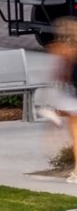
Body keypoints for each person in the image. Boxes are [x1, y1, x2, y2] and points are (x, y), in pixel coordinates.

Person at [40, 14, 77, 180]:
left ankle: (55, 114)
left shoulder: (61, 49)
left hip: (71, 94)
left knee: (75, 134)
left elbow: (60, 73)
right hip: (72, 95)